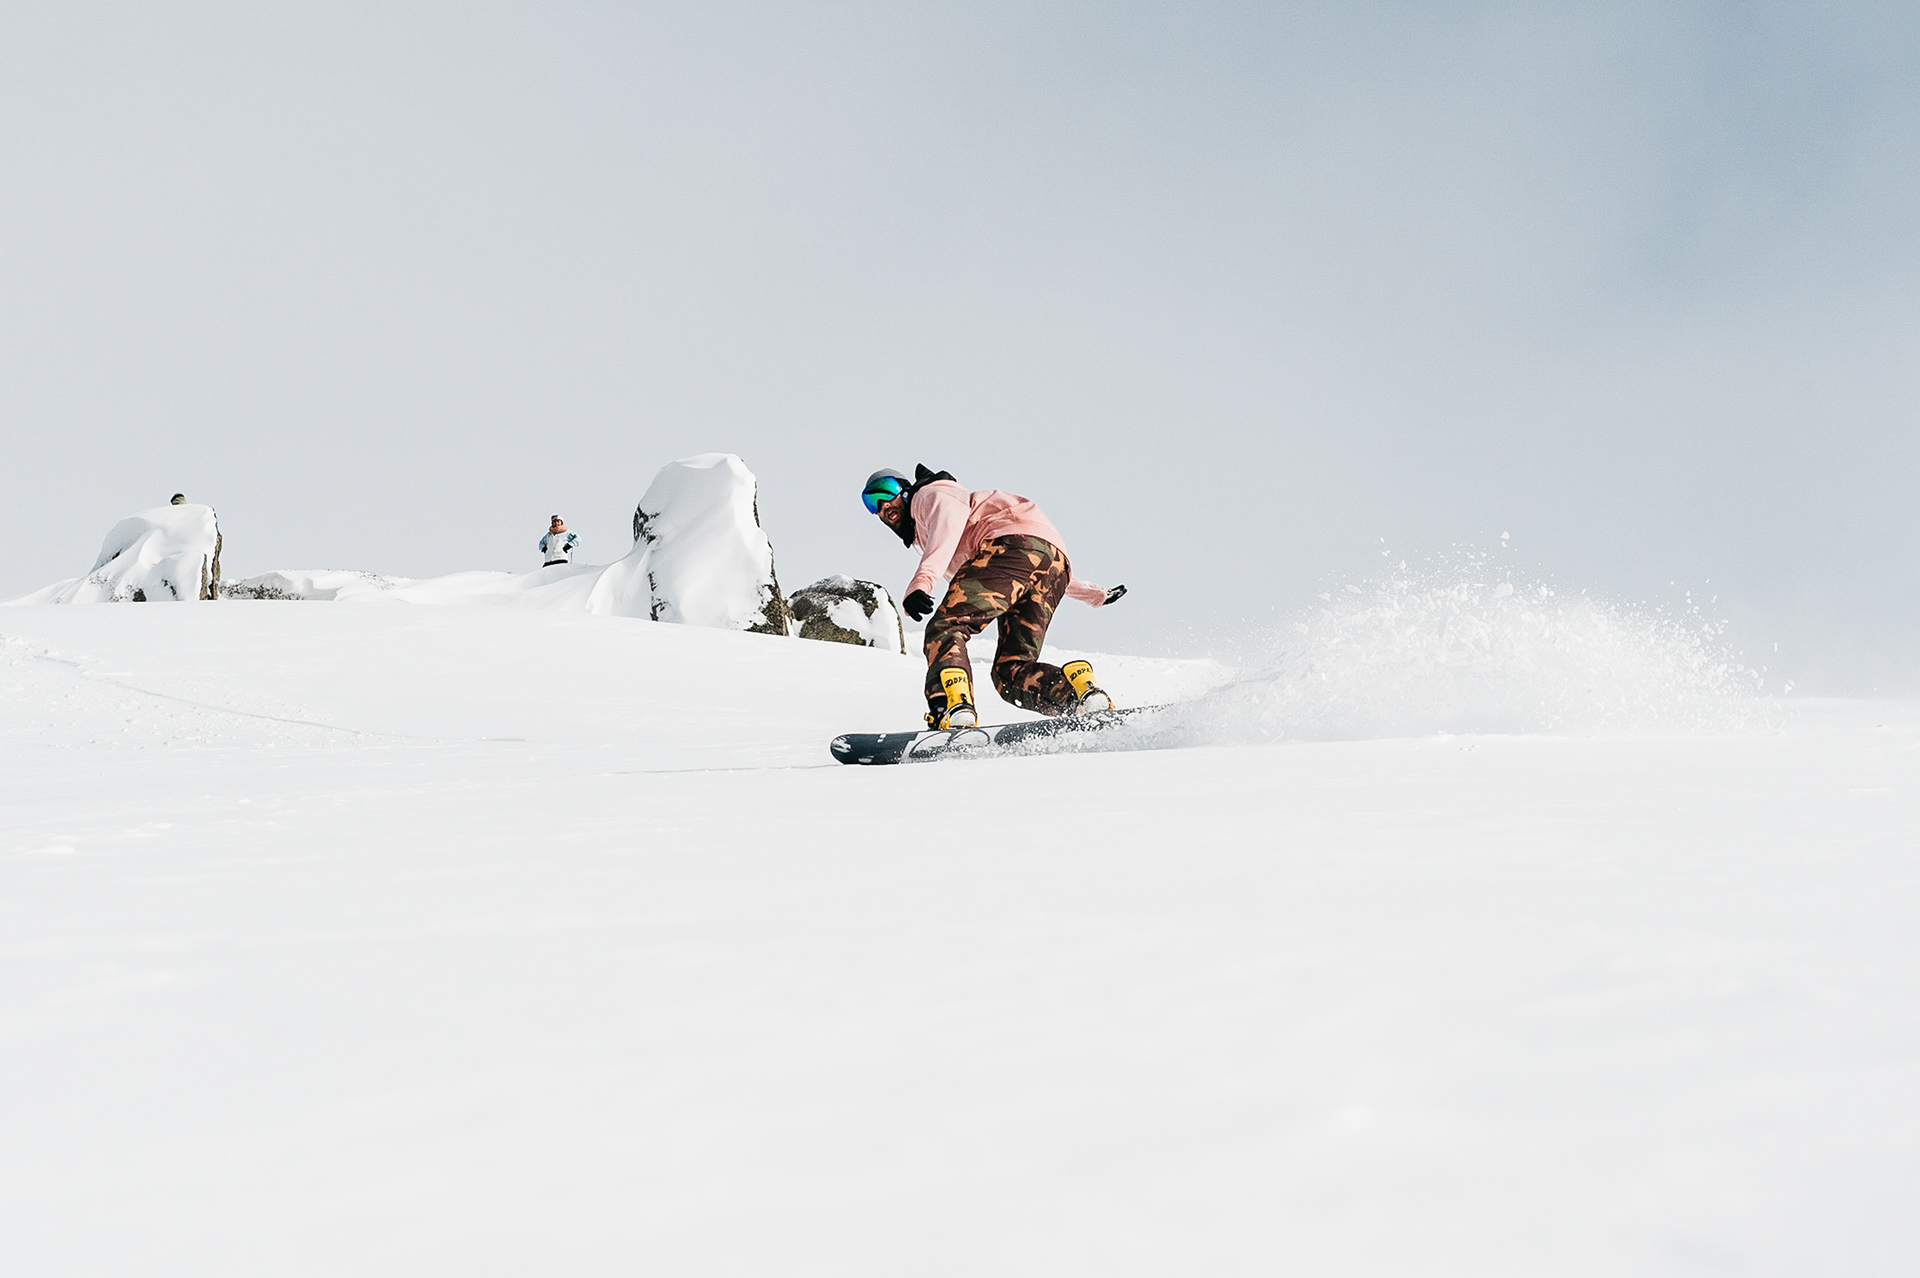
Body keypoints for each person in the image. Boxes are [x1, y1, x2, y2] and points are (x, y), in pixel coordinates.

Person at [864, 464, 1127, 730]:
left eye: (886, 491)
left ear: (905, 490)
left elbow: (950, 525)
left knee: (945, 627)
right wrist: (1094, 594)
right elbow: (1037, 561)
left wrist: (922, 582)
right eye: (871, 503)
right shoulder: (926, 530)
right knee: (1010, 671)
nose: (882, 505)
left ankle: (950, 709)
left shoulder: (930, 495)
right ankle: (1079, 694)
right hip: (1051, 564)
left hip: (1008, 545)